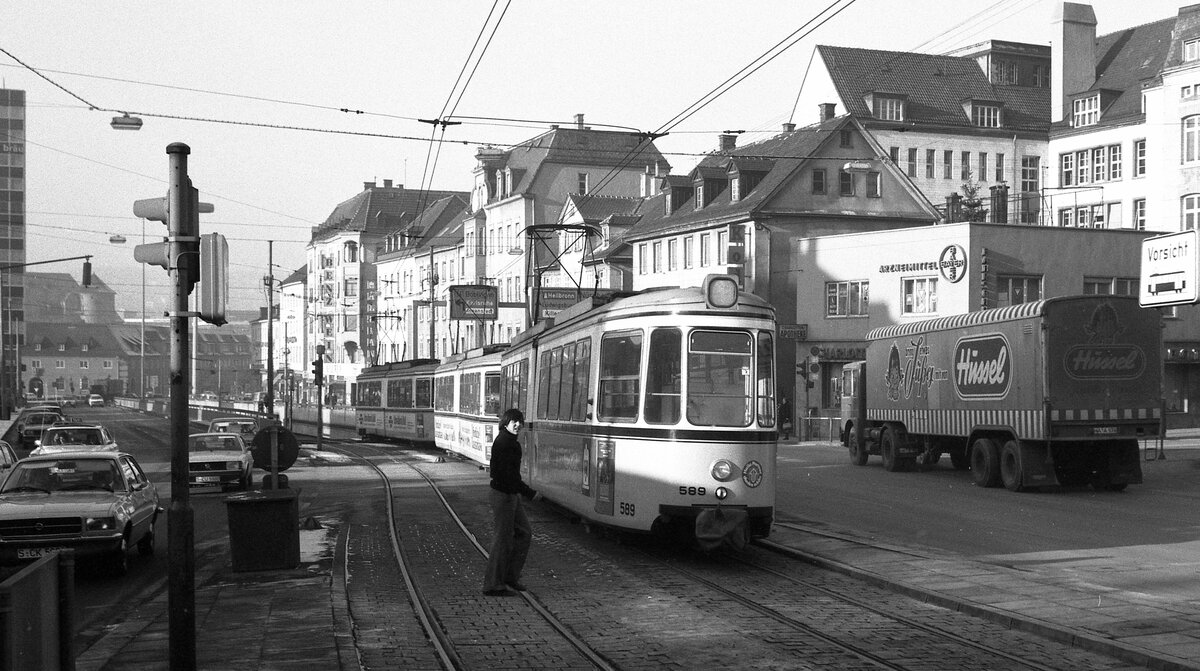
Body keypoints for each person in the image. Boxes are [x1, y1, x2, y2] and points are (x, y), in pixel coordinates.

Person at [482, 408, 542, 596]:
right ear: (506, 422)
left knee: (524, 533)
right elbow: (508, 476)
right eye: (514, 421)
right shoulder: (504, 443)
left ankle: (509, 577)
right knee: (502, 540)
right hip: (503, 495)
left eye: (520, 422)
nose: (518, 425)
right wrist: (530, 493)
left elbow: (511, 476)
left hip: (510, 495)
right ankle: (493, 584)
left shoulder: (510, 442)